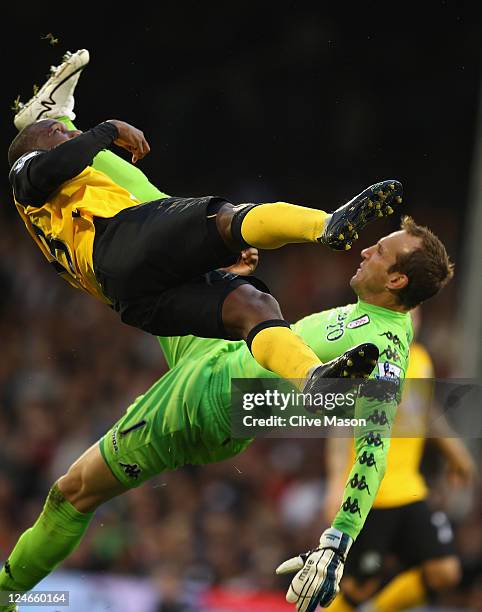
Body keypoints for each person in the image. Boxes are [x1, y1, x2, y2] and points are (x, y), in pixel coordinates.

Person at [0, 50, 454, 612]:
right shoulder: (90, 174)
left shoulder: (387, 348)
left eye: (380, 250)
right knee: (245, 297)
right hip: (206, 347)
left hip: (208, 397)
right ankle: (313, 351)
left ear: (398, 279)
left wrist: (337, 538)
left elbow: (373, 447)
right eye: (372, 240)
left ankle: (6, 593)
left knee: (74, 490)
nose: (369, 250)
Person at [7, 50, 405, 398]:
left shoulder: (61, 199)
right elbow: (51, 161)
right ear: (34, 142)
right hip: (120, 239)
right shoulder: (26, 171)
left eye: (67, 128)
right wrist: (108, 129)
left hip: (129, 295)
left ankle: (312, 380)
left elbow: (69, 166)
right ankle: (327, 225)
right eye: (59, 129)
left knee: (253, 306)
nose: (71, 135)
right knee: (226, 219)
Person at [324, 308, 476, 612]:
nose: (411, 319)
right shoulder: (366, 357)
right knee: (358, 586)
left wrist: (454, 450)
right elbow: (341, 424)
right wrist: (335, 484)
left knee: (445, 569)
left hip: (410, 491)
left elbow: (424, 410)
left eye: (416, 313)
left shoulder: (420, 358)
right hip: (369, 495)